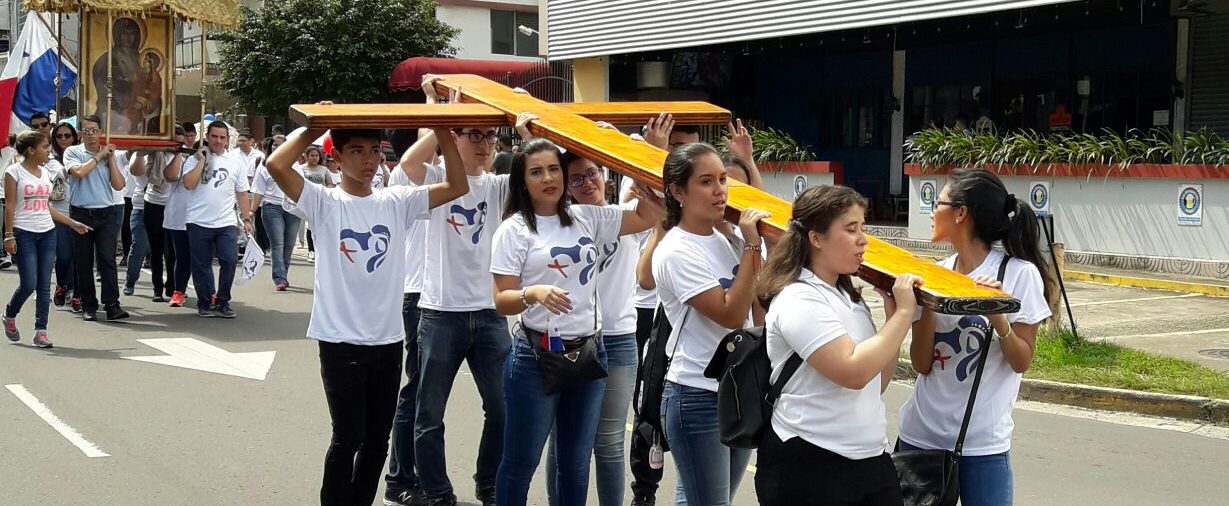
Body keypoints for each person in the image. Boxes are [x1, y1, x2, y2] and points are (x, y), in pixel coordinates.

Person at [265, 116, 469, 506]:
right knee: (347, 437)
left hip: (387, 340)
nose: (368, 160)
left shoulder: (397, 202)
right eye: (356, 151)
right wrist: (314, 127)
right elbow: (276, 165)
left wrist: (443, 130)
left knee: (377, 440)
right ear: (336, 158)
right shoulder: (323, 202)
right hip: (339, 340)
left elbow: (457, 186)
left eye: (374, 150)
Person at [490, 138, 662, 506]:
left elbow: (650, 215)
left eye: (554, 169)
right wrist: (532, 294)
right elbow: (501, 299)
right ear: (523, 181)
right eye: (536, 172)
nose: (548, 178)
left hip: (588, 352)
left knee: (575, 461)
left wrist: (612, 149)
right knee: (521, 461)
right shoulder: (515, 229)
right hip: (535, 356)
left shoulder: (587, 217)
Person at [753, 185, 920, 505]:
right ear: (816, 238)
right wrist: (903, 315)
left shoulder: (849, 297)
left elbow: (875, 382)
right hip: (809, 463)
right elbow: (852, 371)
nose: (864, 239)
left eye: (863, 227)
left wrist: (891, 320)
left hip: (870, 458)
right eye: (851, 229)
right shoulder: (798, 297)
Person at [897, 169, 1053, 506]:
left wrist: (998, 316)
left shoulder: (1017, 274)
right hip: (920, 437)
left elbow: (1021, 360)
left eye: (937, 203)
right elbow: (922, 364)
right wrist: (920, 305)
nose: (930, 211)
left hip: (982, 445)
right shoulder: (936, 272)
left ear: (961, 213)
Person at [396, 75, 509, 506]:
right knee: (429, 413)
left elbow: (542, 172)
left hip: (490, 313)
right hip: (440, 312)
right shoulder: (436, 179)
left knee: (502, 407)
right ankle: (438, 492)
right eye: (473, 134)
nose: (483, 144)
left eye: (490, 135)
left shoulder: (498, 186)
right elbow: (408, 162)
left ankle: (489, 482)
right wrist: (444, 116)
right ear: (453, 138)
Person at [649, 142, 768, 506]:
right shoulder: (675, 251)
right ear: (677, 191)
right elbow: (731, 314)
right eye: (706, 181)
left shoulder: (726, 238)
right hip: (695, 394)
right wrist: (751, 246)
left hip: (739, 389)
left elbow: (756, 309)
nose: (720, 190)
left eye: (721, 179)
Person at [3, 131, 92, 348]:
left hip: (47, 232)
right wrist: (8, 236)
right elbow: (11, 205)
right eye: (44, 147)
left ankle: (40, 330)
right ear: (30, 150)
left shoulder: (44, 173)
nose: (48, 151)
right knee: (29, 283)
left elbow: (46, 206)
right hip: (24, 233)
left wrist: (72, 223)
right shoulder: (13, 172)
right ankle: (10, 314)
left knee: (44, 286)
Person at [181, 120, 254, 318]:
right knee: (201, 265)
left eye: (222, 137)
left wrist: (246, 219)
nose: (218, 141)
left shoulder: (235, 163)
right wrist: (202, 161)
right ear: (207, 137)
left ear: (228, 140)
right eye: (214, 137)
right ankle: (205, 302)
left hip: (226, 222)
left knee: (229, 260)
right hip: (198, 221)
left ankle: (223, 301)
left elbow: (242, 192)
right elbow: (188, 184)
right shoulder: (194, 159)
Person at [65, 115, 129, 322]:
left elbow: (119, 185)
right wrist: (100, 156)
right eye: (87, 130)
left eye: (95, 130)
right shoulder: (73, 152)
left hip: (106, 212)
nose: (91, 134)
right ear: (81, 133)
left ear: (101, 132)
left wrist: (110, 159)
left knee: (107, 260)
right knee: (83, 262)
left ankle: (112, 305)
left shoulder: (109, 154)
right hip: (81, 213)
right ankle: (88, 304)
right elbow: (79, 172)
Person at [251, 155, 301, 291]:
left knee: (289, 244)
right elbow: (258, 191)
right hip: (271, 206)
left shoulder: (294, 163)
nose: (277, 149)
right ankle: (279, 278)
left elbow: (301, 187)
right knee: (277, 243)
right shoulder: (264, 166)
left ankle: (283, 272)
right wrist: (251, 211)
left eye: (281, 145)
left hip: (292, 207)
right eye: (274, 146)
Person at [49, 122, 79, 309]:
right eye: (59, 136)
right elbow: (64, 173)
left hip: (81, 211)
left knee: (79, 257)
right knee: (64, 256)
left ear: (74, 137)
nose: (63, 139)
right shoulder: (51, 160)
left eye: (67, 136)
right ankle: (61, 285)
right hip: (59, 214)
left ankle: (76, 292)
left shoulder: (82, 155)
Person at [122, 154, 151, 296]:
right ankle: (130, 280)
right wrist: (141, 151)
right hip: (142, 207)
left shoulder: (175, 155)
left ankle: (174, 286)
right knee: (139, 245)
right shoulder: (141, 154)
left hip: (170, 208)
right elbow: (136, 171)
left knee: (172, 250)